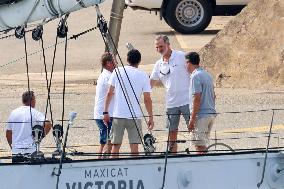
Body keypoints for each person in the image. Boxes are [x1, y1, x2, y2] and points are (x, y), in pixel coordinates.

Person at [103, 49, 154, 158]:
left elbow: (109, 93)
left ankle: (114, 168)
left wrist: (105, 112)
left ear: (127, 59)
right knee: (134, 146)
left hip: (118, 115)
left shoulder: (117, 71)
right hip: (135, 116)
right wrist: (150, 117)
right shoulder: (144, 75)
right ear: (139, 61)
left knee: (115, 146)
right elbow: (147, 99)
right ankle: (135, 171)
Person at [150, 35, 190, 153]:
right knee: (171, 131)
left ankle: (200, 152)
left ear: (168, 44)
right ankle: (173, 154)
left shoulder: (182, 56)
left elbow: (195, 71)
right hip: (171, 103)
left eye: (161, 46)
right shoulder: (158, 64)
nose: (159, 49)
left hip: (187, 100)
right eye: (157, 47)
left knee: (193, 128)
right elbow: (150, 83)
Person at [6, 91, 52, 160]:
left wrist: (13, 147)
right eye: (35, 99)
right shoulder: (34, 112)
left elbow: (8, 133)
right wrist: (40, 137)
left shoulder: (13, 113)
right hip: (31, 151)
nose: (35, 101)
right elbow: (48, 124)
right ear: (31, 100)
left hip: (16, 151)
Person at [185, 52, 216, 154]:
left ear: (189, 63)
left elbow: (196, 98)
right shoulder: (207, 75)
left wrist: (192, 120)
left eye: (186, 63)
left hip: (201, 116)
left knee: (199, 146)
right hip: (210, 114)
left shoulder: (195, 76)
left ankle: (203, 168)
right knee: (202, 145)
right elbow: (214, 96)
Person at [94, 52, 116, 159]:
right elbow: (112, 92)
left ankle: (99, 161)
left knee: (104, 141)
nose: (116, 62)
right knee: (109, 140)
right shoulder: (108, 77)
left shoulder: (104, 75)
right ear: (108, 63)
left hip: (102, 113)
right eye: (114, 60)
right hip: (105, 114)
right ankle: (105, 161)